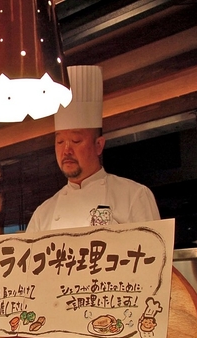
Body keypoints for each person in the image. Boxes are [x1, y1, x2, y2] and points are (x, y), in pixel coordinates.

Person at [26, 65, 160, 233]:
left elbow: (153, 255)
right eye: (60, 142)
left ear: (98, 145)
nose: (66, 150)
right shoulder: (43, 214)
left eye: (76, 140)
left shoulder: (134, 196)